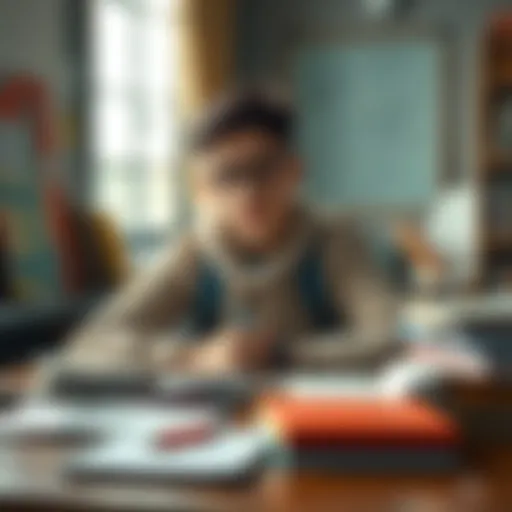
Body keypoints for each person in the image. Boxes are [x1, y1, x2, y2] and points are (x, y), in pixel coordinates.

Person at [55, 89, 398, 377]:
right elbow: (91, 342)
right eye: (227, 175)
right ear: (201, 189)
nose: (248, 192)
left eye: (264, 169)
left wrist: (279, 355)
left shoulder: (334, 241)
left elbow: (387, 337)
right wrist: (193, 357)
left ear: (295, 171)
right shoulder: (194, 253)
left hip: (325, 419)